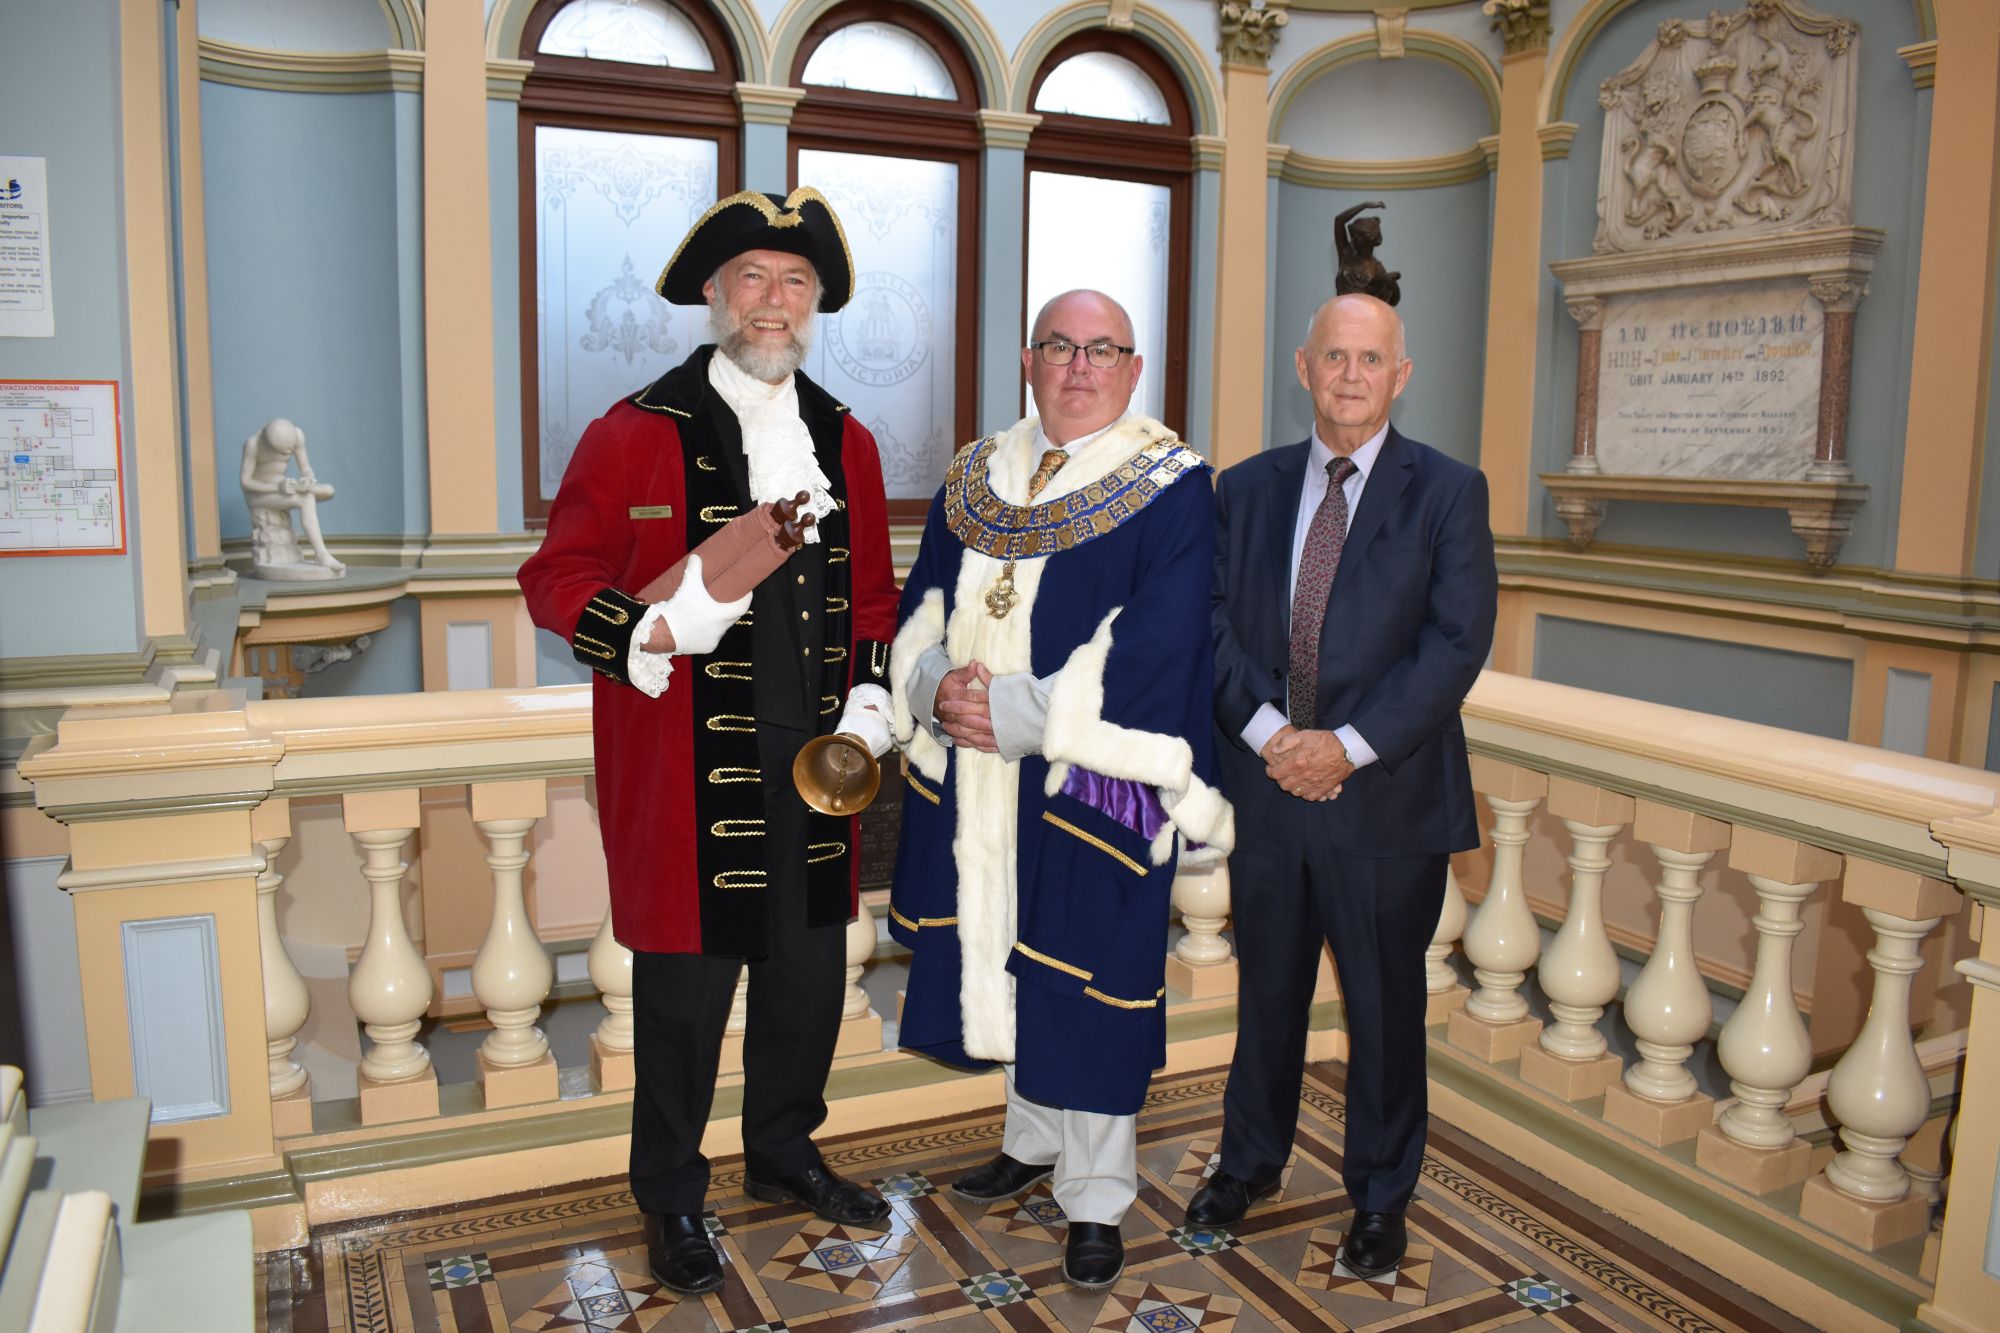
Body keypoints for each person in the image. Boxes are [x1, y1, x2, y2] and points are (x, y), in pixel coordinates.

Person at [518, 189, 901, 1297]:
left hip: (815, 766)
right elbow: (554, 576)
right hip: (690, 771)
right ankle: (671, 1195)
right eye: (750, 279)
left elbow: (870, 599)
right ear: (712, 295)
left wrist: (870, 701)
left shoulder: (847, 438)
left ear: (814, 302)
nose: (771, 301)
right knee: (683, 998)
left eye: (793, 283)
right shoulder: (633, 429)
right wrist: (631, 625)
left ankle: (782, 1151)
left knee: (806, 982)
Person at [887, 290, 1233, 1290]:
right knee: (1001, 950)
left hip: (1098, 775)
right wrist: (930, 683)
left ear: (1132, 369)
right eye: (1057, 346)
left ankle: (1094, 1195)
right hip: (979, 767)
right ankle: (1029, 1135)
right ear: (1028, 360)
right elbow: (925, 606)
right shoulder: (974, 475)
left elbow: (1159, 642)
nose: (1078, 366)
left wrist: (1024, 713)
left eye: (1101, 349)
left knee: (1088, 970)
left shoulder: (1171, 485)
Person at [1194, 293, 1496, 1278]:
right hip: (1270, 788)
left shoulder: (1448, 491)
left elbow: (1455, 645)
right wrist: (1277, 735)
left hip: (1386, 799)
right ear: (1303, 366)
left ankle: (1378, 1195)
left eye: (1370, 359)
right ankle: (1247, 1163)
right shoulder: (1242, 490)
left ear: (1398, 376)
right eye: (1335, 357)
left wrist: (1347, 746)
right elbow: (1209, 629)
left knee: (1381, 1007)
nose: (1351, 374)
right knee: (1267, 991)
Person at [241, 417, 343, 576]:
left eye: (289, 450)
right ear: (267, 443)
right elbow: (246, 482)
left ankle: (322, 554)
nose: (287, 454)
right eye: (282, 452)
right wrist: (277, 487)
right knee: (306, 499)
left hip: (285, 489)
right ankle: (322, 554)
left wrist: (307, 479)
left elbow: (306, 467)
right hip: (260, 496)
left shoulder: (297, 435)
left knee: (328, 490)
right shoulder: (253, 444)